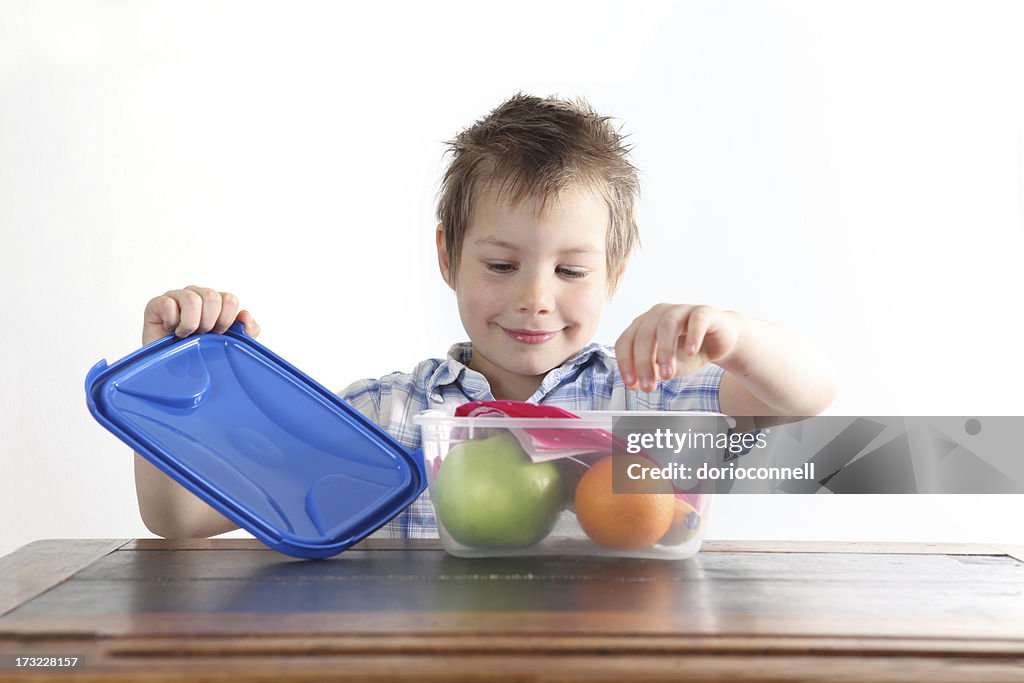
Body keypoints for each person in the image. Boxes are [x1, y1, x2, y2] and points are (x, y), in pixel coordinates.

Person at [133, 93, 837, 539]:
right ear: (449, 257)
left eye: (570, 270)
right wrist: (167, 377)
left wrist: (733, 336)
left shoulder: (645, 395)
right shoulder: (389, 414)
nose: (535, 297)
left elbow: (805, 395)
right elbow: (181, 518)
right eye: (502, 265)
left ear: (615, 275)